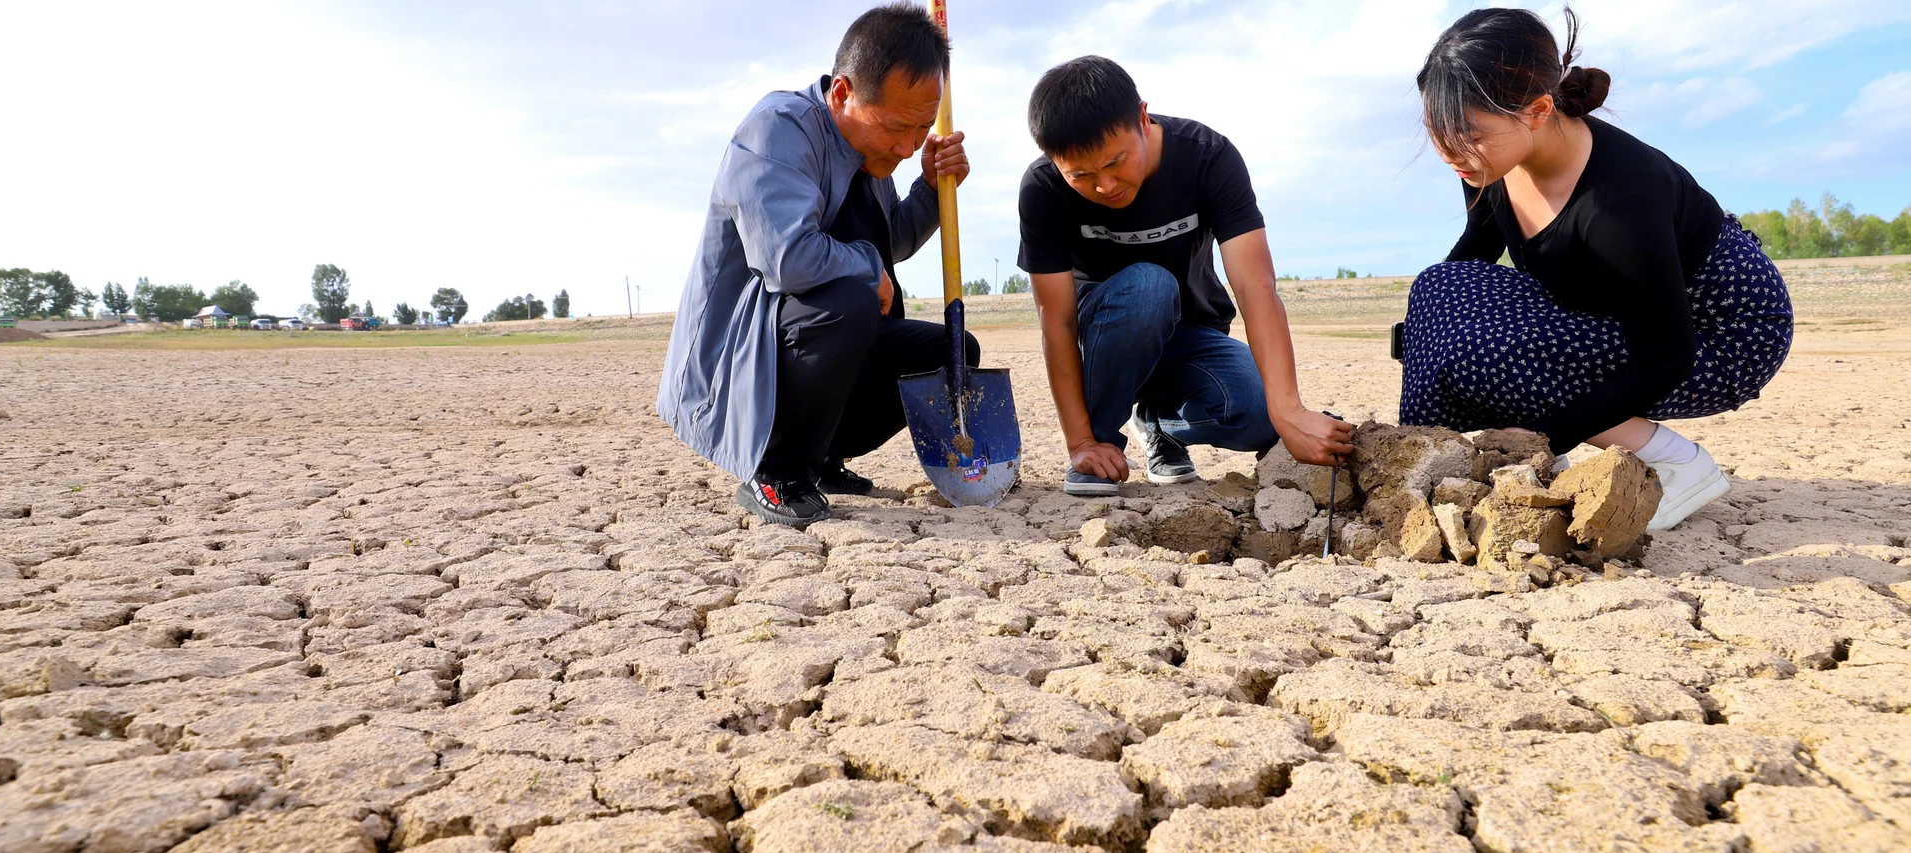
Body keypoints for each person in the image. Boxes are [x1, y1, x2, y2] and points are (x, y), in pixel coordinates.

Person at [1404, 7, 1793, 531]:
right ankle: (1426, 461)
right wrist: (1420, 336)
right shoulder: (1490, 159)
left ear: (1538, 110)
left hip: (1717, 334)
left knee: (1486, 353)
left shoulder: (1618, 203)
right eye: (1437, 131)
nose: (1450, 151)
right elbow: (1473, 254)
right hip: (1614, 310)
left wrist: (1543, 436)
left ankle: (1676, 462)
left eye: (1468, 133)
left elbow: (1665, 355)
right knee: (1435, 293)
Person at [657, 3, 975, 526]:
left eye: (921, 130)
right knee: (850, 296)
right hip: (740, 359)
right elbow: (788, 260)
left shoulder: (876, 154)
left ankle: (822, 456)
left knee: (953, 350)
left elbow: (887, 241)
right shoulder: (777, 130)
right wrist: (869, 265)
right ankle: (776, 470)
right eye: (898, 127)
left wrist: (930, 186)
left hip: (814, 337)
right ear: (843, 93)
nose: (906, 144)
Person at [1016, 56, 1351, 498]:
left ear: (1142, 118)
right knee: (1149, 287)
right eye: (1081, 175)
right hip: (1100, 344)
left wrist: (1288, 411)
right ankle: (1100, 444)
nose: (1105, 185)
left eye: (1116, 162)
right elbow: (1056, 322)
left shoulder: (1207, 157)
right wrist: (1080, 440)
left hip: (1188, 335)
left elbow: (1255, 287)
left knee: (1258, 415)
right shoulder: (1042, 189)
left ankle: (1159, 424)